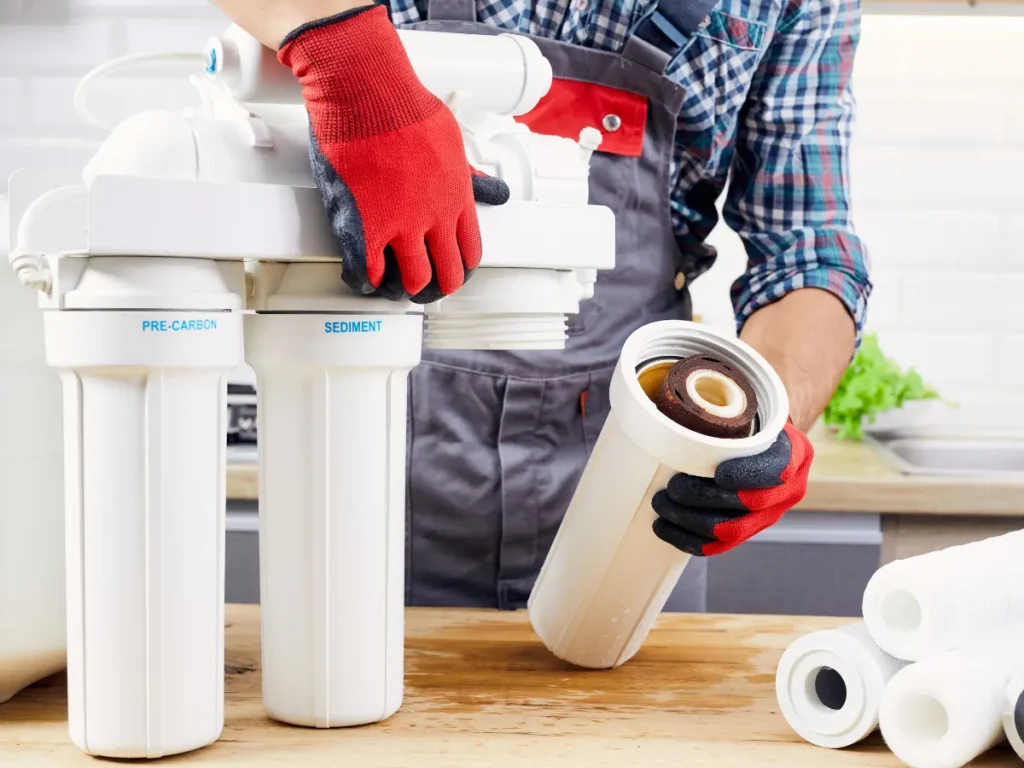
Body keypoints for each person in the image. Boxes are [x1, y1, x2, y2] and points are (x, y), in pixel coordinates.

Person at [213, 0, 871, 612]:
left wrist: (767, 415)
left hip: (640, 494)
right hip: (358, 460)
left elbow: (806, 248)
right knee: (337, 702)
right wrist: (349, 61)